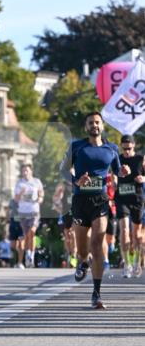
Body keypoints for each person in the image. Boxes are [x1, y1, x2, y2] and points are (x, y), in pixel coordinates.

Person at [60, 111, 129, 309]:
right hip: (80, 201)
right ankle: (82, 262)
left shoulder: (112, 148)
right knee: (82, 249)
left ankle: (96, 294)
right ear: (86, 126)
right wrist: (76, 180)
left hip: (100, 200)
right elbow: (63, 170)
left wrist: (124, 172)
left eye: (97, 122)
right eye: (91, 123)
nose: (94, 126)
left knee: (97, 244)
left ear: (102, 125)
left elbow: (117, 170)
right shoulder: (76, 147)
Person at [115, 134, 144, 278]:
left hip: (137, 199)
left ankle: (137, 262)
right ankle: (127, 264)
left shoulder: (140, 159)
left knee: (137, 235)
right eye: (124, 148)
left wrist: (143, 178)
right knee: (124, 230)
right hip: (122, 198)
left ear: (134, 146)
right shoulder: (118, 159)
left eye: (129, 148)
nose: (126, 151)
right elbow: (112, 174)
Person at [13, 163, 44, 267]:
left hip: (34, 211)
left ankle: (31, 255)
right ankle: (27, 255)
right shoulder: (19, 183)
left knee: (32, 232)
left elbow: (41, 193)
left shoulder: (36, 182)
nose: (25, 172)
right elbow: (16, 199)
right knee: (25, 236)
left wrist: (40, 198)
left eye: (27, 170)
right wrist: (21, 193)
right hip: (23, 212)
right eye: (23, 171)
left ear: (31, 171)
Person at [8, 198, 25, 268]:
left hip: (22, 225)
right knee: (13, 246)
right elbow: (9, 210)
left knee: (21, 244)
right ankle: (14, 262)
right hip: (13, 224)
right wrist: (7, 219)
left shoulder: (25, 201)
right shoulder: (12, 200)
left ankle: (20, 262)